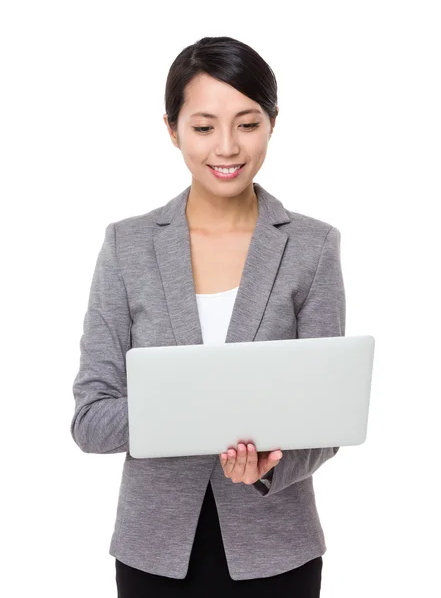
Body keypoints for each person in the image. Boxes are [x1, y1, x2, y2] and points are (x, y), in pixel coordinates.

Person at [71, 36, 345, 597]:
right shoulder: (127, 246)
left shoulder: (313, 248)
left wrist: (269, 464)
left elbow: (328, 417)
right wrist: (186, 413)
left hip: (278, 551)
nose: (227, 147)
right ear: (172, 130)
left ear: (272, 123)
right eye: (203, 127)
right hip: (154, 552)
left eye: (247, 124)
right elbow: (91, 418)